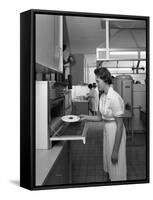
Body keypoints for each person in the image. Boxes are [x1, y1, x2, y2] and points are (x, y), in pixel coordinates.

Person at [80, 68, 127, 181]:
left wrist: (115, 150)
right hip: (107, 130)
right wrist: (85, 117)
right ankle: (111, 179)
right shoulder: (103, 97)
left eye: (98, 81)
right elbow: (99, 117)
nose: (96, 84)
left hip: (116, 131)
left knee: (116, 160)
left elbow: (120, 126)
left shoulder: (114, 98)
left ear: (105, 80)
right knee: (109, 161)